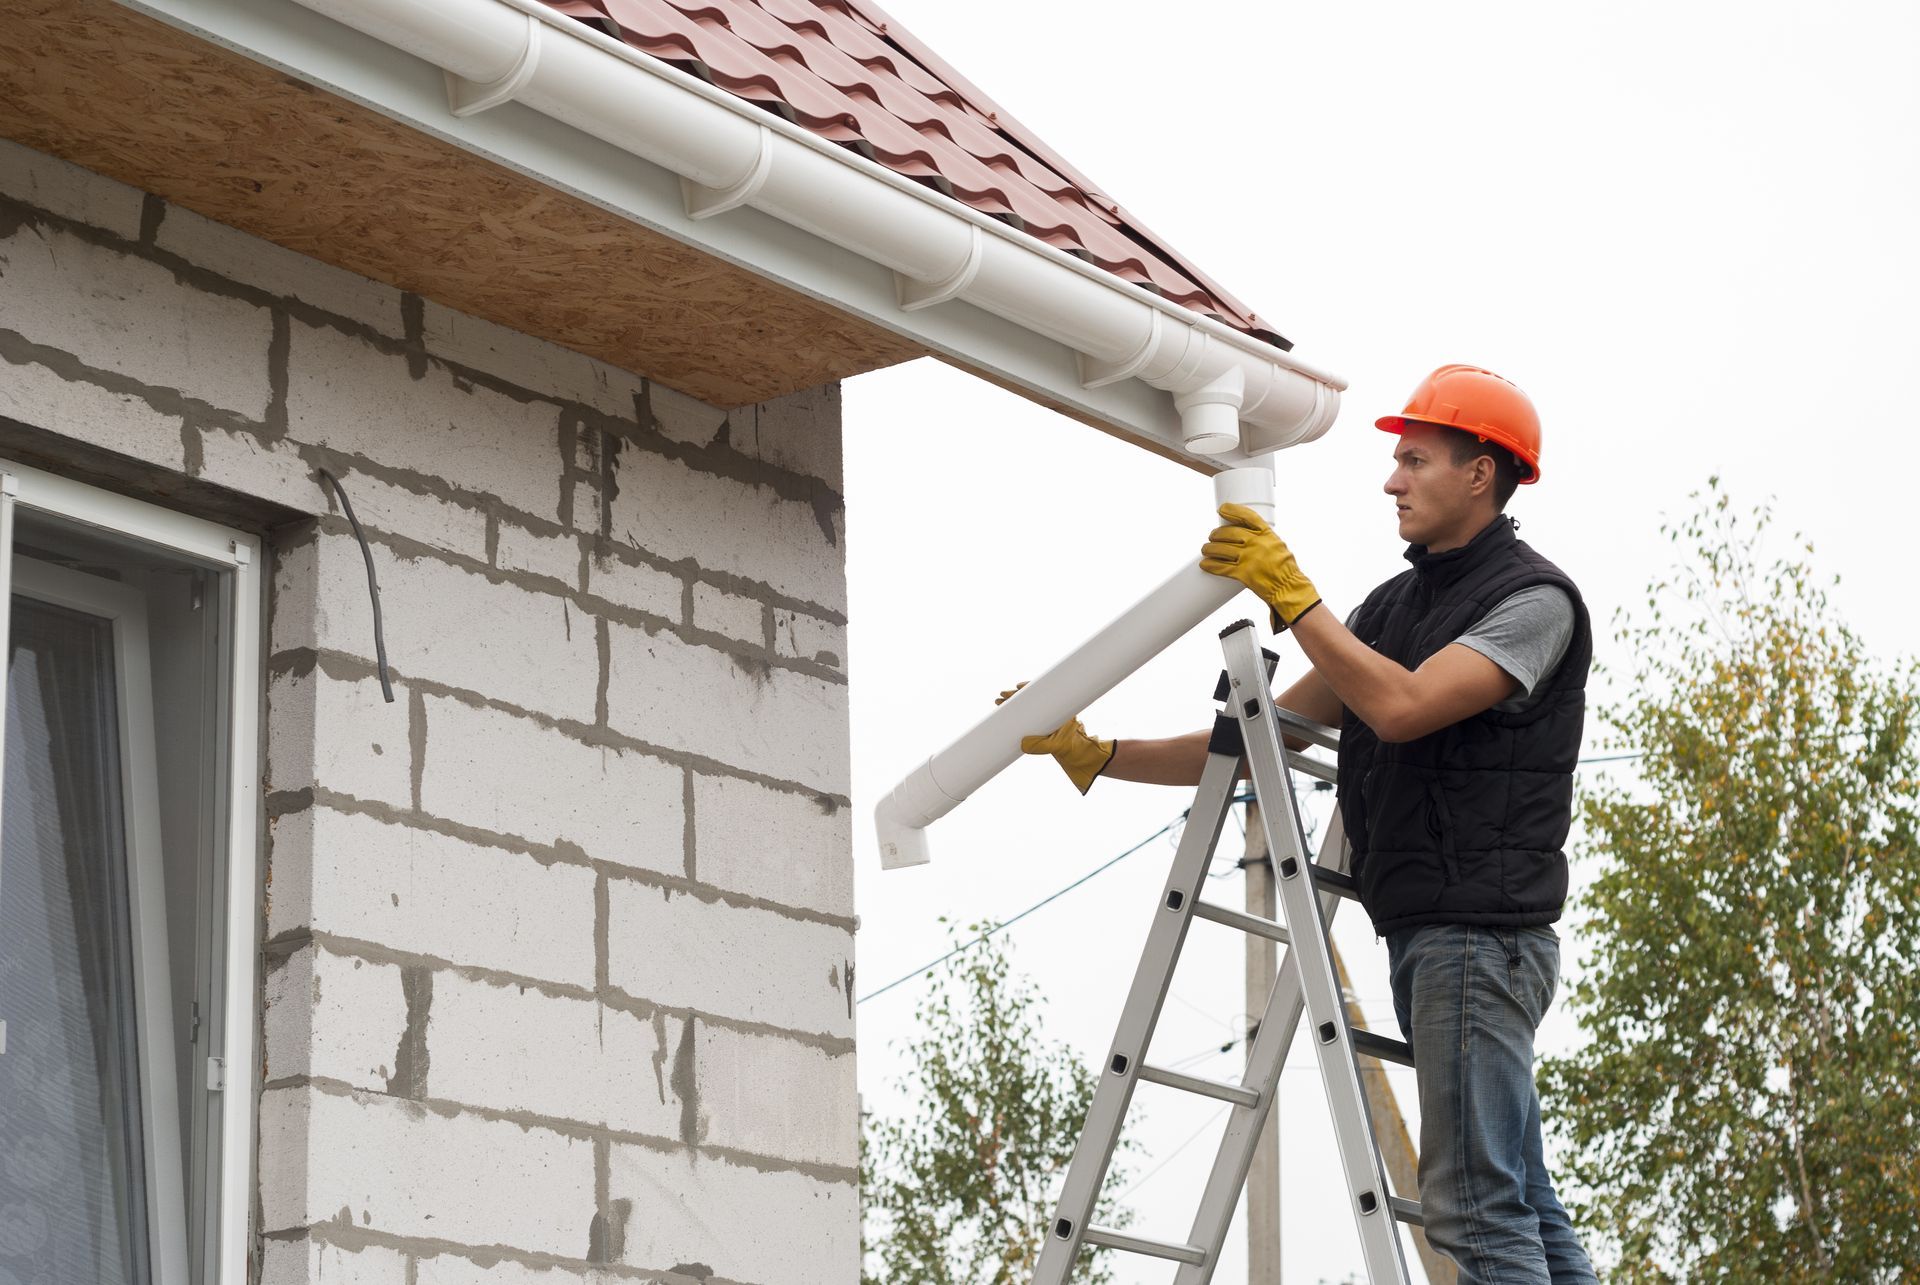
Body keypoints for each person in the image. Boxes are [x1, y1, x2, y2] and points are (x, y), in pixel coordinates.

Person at [1010, 365, 1599, 1283]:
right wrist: (1099, 752)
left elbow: (1402, 708)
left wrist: (1295, 598)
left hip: (1480, 937)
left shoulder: (1534, 602)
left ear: (1480, 472)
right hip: (1439, 932)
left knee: (1479, 1211)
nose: (1392, 479)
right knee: (1520, 1200)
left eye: (1414, 459)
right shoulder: (1392, 610)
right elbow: (1257, 742)